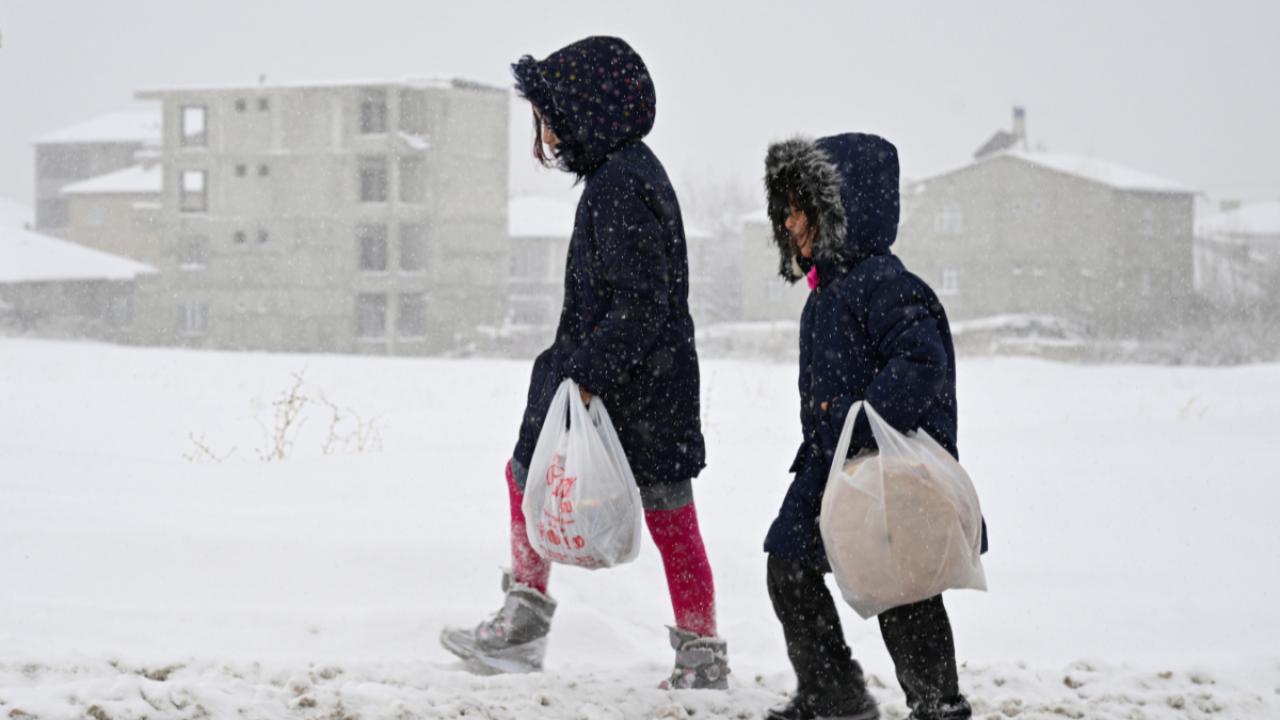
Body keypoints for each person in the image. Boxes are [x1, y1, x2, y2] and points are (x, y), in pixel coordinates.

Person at [440, 36, 728, 690]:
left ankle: (532, 626)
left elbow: (642, 303)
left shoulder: (621, 184)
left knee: (664, 514)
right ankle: (691, 651)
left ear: (585, 115)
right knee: (541, 480)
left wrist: (586, 376)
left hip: (630, 387)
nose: (544, 134)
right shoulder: (624, 174)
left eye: (549, 117)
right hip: (636, 380)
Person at [760, 133, 984, 720]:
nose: (789, 223)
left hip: (885, 464)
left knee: (901, 585)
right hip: (830, 461)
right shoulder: (826, 292)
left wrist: (863, 420)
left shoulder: (884, 283)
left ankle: (938, 704)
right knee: (789, 563)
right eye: (783, 209)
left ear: (839, 211)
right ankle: (832, 691)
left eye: (799, 208)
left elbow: (921, 361)